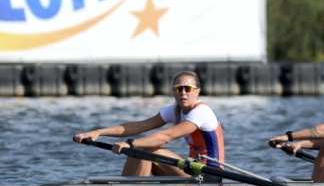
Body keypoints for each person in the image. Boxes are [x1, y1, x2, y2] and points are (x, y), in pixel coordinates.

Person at [72, 70, 225, 177]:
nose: (183, 93)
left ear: (197, 91)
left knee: (144, 150)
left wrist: (131, 144)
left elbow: (166, 136)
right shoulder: (174, 111)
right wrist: (98, 132)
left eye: (188, 88)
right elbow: (138, 126)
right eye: (178, 89)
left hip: (208, 174)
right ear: (173, 92)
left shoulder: (201, 111)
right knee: (138, 151)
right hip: (190, 168)